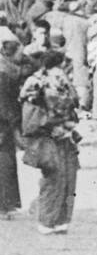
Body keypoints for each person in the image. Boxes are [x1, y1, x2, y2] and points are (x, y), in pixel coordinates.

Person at [20, 46, 80, 235]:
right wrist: (51, 124)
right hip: (47, 135)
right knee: (53, 178)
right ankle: (47, 219)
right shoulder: (36, 82)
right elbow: (31, 114)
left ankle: (61, 219)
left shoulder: (59, 79)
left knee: (69, 178)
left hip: (65, 134)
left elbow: (72, 103)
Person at [0, 26, 22, 217]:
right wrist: (14, 122)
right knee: (5, 163)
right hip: (3, 123)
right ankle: (5, 204)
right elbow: (5, 103)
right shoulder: (5, 71)